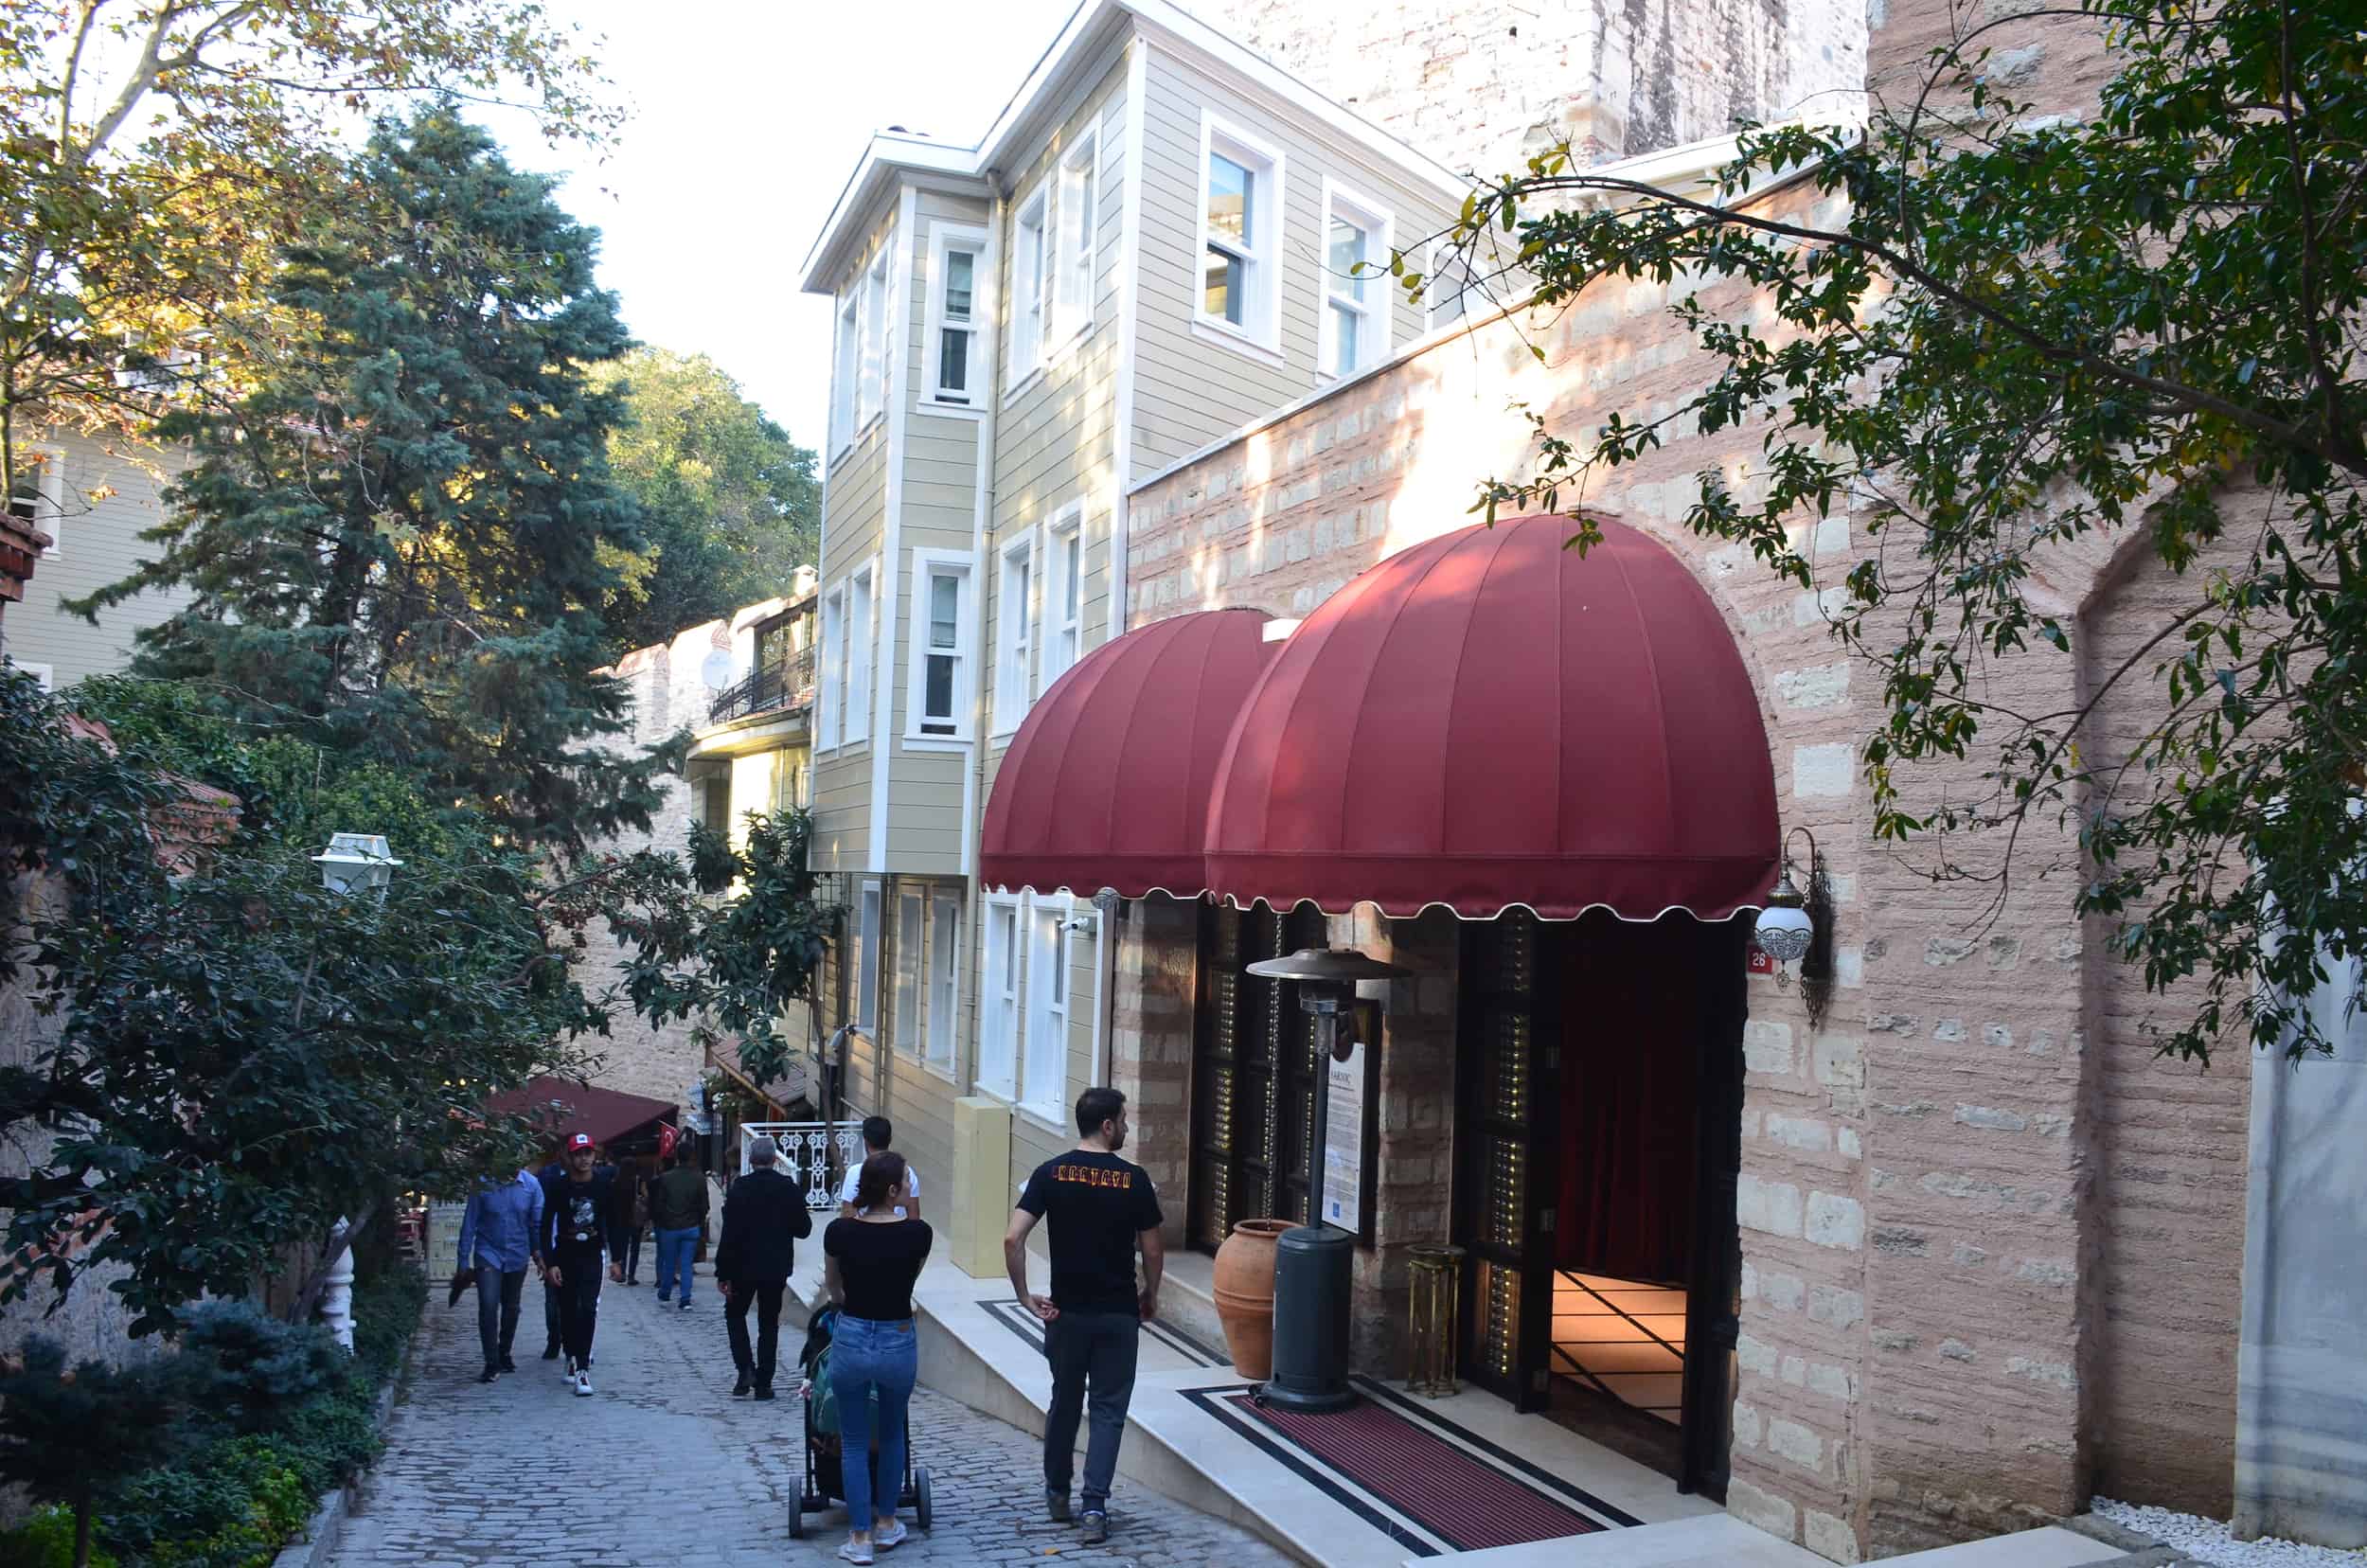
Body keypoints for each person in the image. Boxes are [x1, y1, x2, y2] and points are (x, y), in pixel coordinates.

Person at [1006, 1087, 1165, 1546]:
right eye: (1125, 1120)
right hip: (1117, 1314)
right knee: (1109, 1411)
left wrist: (1024, 1297)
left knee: (1065, 1402)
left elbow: (1012, 1240)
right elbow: (1152, 1247)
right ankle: (1094, 1506)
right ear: (1108, 1125)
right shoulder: (1134, 1180)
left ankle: (1058, 1493)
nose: (1128, 1128)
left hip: (1067, 1313)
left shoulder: (1050, 1173)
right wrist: (1150, 1293)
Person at [824, 1152, 933, 1565]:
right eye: (906, 1180)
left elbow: (834, 1289)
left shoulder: (839, 1232)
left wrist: (848, 1301)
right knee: (891, 1435)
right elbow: (910, 1280)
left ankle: (859, 1537)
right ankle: (887, 1523)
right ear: (891, 1191)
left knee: (853, 1440)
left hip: (852, 1334)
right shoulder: (919, 1233)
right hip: (897, 1336)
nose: (910, 1186)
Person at [714, 1134, 812, 1400]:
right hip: (775, 1267)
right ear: (773, 1159)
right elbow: (804, 1229)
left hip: (742, 1267)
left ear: (751, 1159)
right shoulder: (788, 1188)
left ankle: (745, 1368)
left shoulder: (739, 1188)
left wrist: (723, 1272)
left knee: (735, 1315)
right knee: (769, 1322)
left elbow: (729, 1235)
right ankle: (764, 1382)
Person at [539, 1132, 624, 1396]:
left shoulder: (603, 1186)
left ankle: (583, 1368)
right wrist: (549, 1263)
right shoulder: (558, 1187)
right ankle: (571, 1356)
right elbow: (544, 1227)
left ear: (594, 1155)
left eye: (588, 1153)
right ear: (570, 1157)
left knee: (587, 1308)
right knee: (567, 1310)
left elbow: (615, 1222)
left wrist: (617, 1259)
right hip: (565, 1254)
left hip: (591, 1254)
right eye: (579, 1154)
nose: (584, 1158)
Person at [453, 1166, 543, 1382]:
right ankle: (491, 1362)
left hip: (517, 1254)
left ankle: (504, 1351)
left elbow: (537, 1224)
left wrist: (540, 1255)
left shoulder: (531, 1185)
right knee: (488, 1304)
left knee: (511, 1307)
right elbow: (470, 1222)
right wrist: (463, 1260)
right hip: (488, 1252)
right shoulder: (483, 1184)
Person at [648, 1145, 707, 1310]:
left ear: (677, 1157)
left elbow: (659, 1205)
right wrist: (698, 1221)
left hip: (670, 1227)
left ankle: (665, 1292)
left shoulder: (666, 1178)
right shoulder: (699, 1178)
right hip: (691, 1226)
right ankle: (685, 1298)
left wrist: (664, 1220)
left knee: (670, 1262)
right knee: (687, 1264)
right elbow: (704, 1206)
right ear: (692, 1157)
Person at [837, 1115, 920, 1221]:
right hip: (898, 1232)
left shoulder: (855, 1172)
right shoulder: (907, 1172)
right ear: (890, 1139)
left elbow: (847, 1215)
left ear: (865, 1141)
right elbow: (914, 1217)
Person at [535, 1150, 567, 1360]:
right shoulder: (547, 1177)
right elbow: (541, 1219)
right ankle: (554, 1338)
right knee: (552, 1299)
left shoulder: (591, 1178)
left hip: (577, 1248)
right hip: (553, 1246)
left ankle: (574, 1341)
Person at [614, 1159, 649, 1285]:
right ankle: (631, 1276)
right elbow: (646, 1196)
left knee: (622, 1247)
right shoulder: (638, 1181)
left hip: (622, 1218)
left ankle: (621, 1273)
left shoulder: (616, 1181)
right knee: (635, 1248)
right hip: (635, 1218)